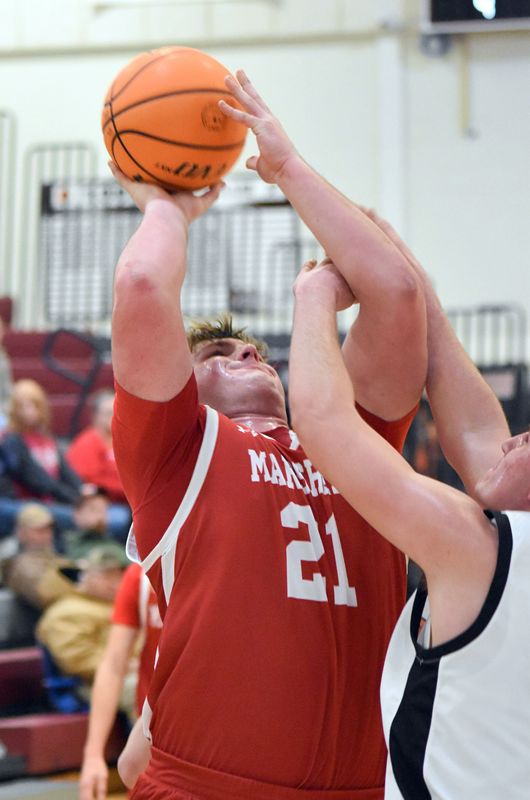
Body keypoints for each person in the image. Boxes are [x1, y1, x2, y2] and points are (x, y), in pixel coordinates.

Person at [109, 70, 427, 799]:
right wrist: (167, 206)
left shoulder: (351, 444)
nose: (248, 352)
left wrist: (287, 167)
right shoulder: (179, 453)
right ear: (185, 389)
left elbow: (397, 292)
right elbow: (144, 286)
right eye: (219, 353)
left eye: (254, 348)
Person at [288, 208, 529, 799]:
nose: (515, 439)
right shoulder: (508, 537)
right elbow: (477, 431)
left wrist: (313, 296)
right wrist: (399, 268)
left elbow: (323, 423)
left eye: (528, 441)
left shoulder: (479, 547)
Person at [79, 562, 162, 800]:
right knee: (132, 771)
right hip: (150, 726)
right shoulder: (140, 575)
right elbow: (113, 666)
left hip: (206, 728)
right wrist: (93, 755)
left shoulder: (223, 568)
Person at [36, 543, 132, 706]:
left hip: (133, 671)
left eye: (120, 575)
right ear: (85, 576)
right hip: (92, 683)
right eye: (107, 575)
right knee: (141, 688)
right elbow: (79, 659)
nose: (115, 582)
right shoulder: (65, 611)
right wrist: (128, 665)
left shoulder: (128, 604)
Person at [0, 379, 82, 535]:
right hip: (26, 501)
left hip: (53, 499)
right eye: (22, 407)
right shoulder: (12, 441)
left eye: (33, 405)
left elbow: (65, 471)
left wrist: (83, 493)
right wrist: (75, 500)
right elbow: (37, 480)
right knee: (77, 518)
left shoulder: (47, 438)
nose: (28, 411)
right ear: (15, 410)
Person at [66, 389, 132, 542]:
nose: (113, 416)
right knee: (123, 518)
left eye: (116, 411)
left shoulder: (122, 440)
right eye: (108, 413)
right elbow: (89, 480)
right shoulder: (87, 442)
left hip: (127, 501)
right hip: (100, 504)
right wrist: (126, 488)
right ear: (96, 416)